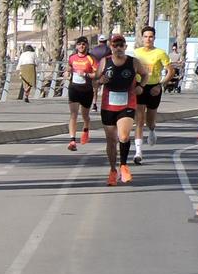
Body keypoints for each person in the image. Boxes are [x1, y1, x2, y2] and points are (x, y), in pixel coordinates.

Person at [97, 34, 141, 184]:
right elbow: (95, 81)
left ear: (125, 47)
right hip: (108, 105)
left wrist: (140, 86)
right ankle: (112, 170)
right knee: (111, 140)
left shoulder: (133, 62)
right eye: (115, 45)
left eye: (121, 45)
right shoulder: (105, 62)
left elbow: (145, 74)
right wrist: (100, 80)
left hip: (127, 103)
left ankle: (123, 165)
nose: (118, 48)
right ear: (111, 47)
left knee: (123, 136)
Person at [129, 25, 171, 153]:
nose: (148, 39)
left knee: (150, 121)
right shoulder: (136, 53)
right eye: (146, 37)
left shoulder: (160, 53)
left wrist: (160, 84)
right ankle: (138, 151)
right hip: (140, 87)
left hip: (154, 88)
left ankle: (152, 130)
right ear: (142, 38)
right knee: (139, 120)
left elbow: (171, 71)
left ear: (154, 38)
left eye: (151, 37)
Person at [63, 36, 98, 151]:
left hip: (86, 90)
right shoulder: (72, 57)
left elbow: (96, 75)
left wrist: (86, 74)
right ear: (76, 46)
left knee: (85, 116)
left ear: (87, 46)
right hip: (74, 89)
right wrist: (67, 72)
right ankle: (72, 140)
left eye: (84, 44)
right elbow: (69, 67)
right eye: (79, 44)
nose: (81, 46)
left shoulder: (91, 58)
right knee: (73, 114)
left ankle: (86, 129)